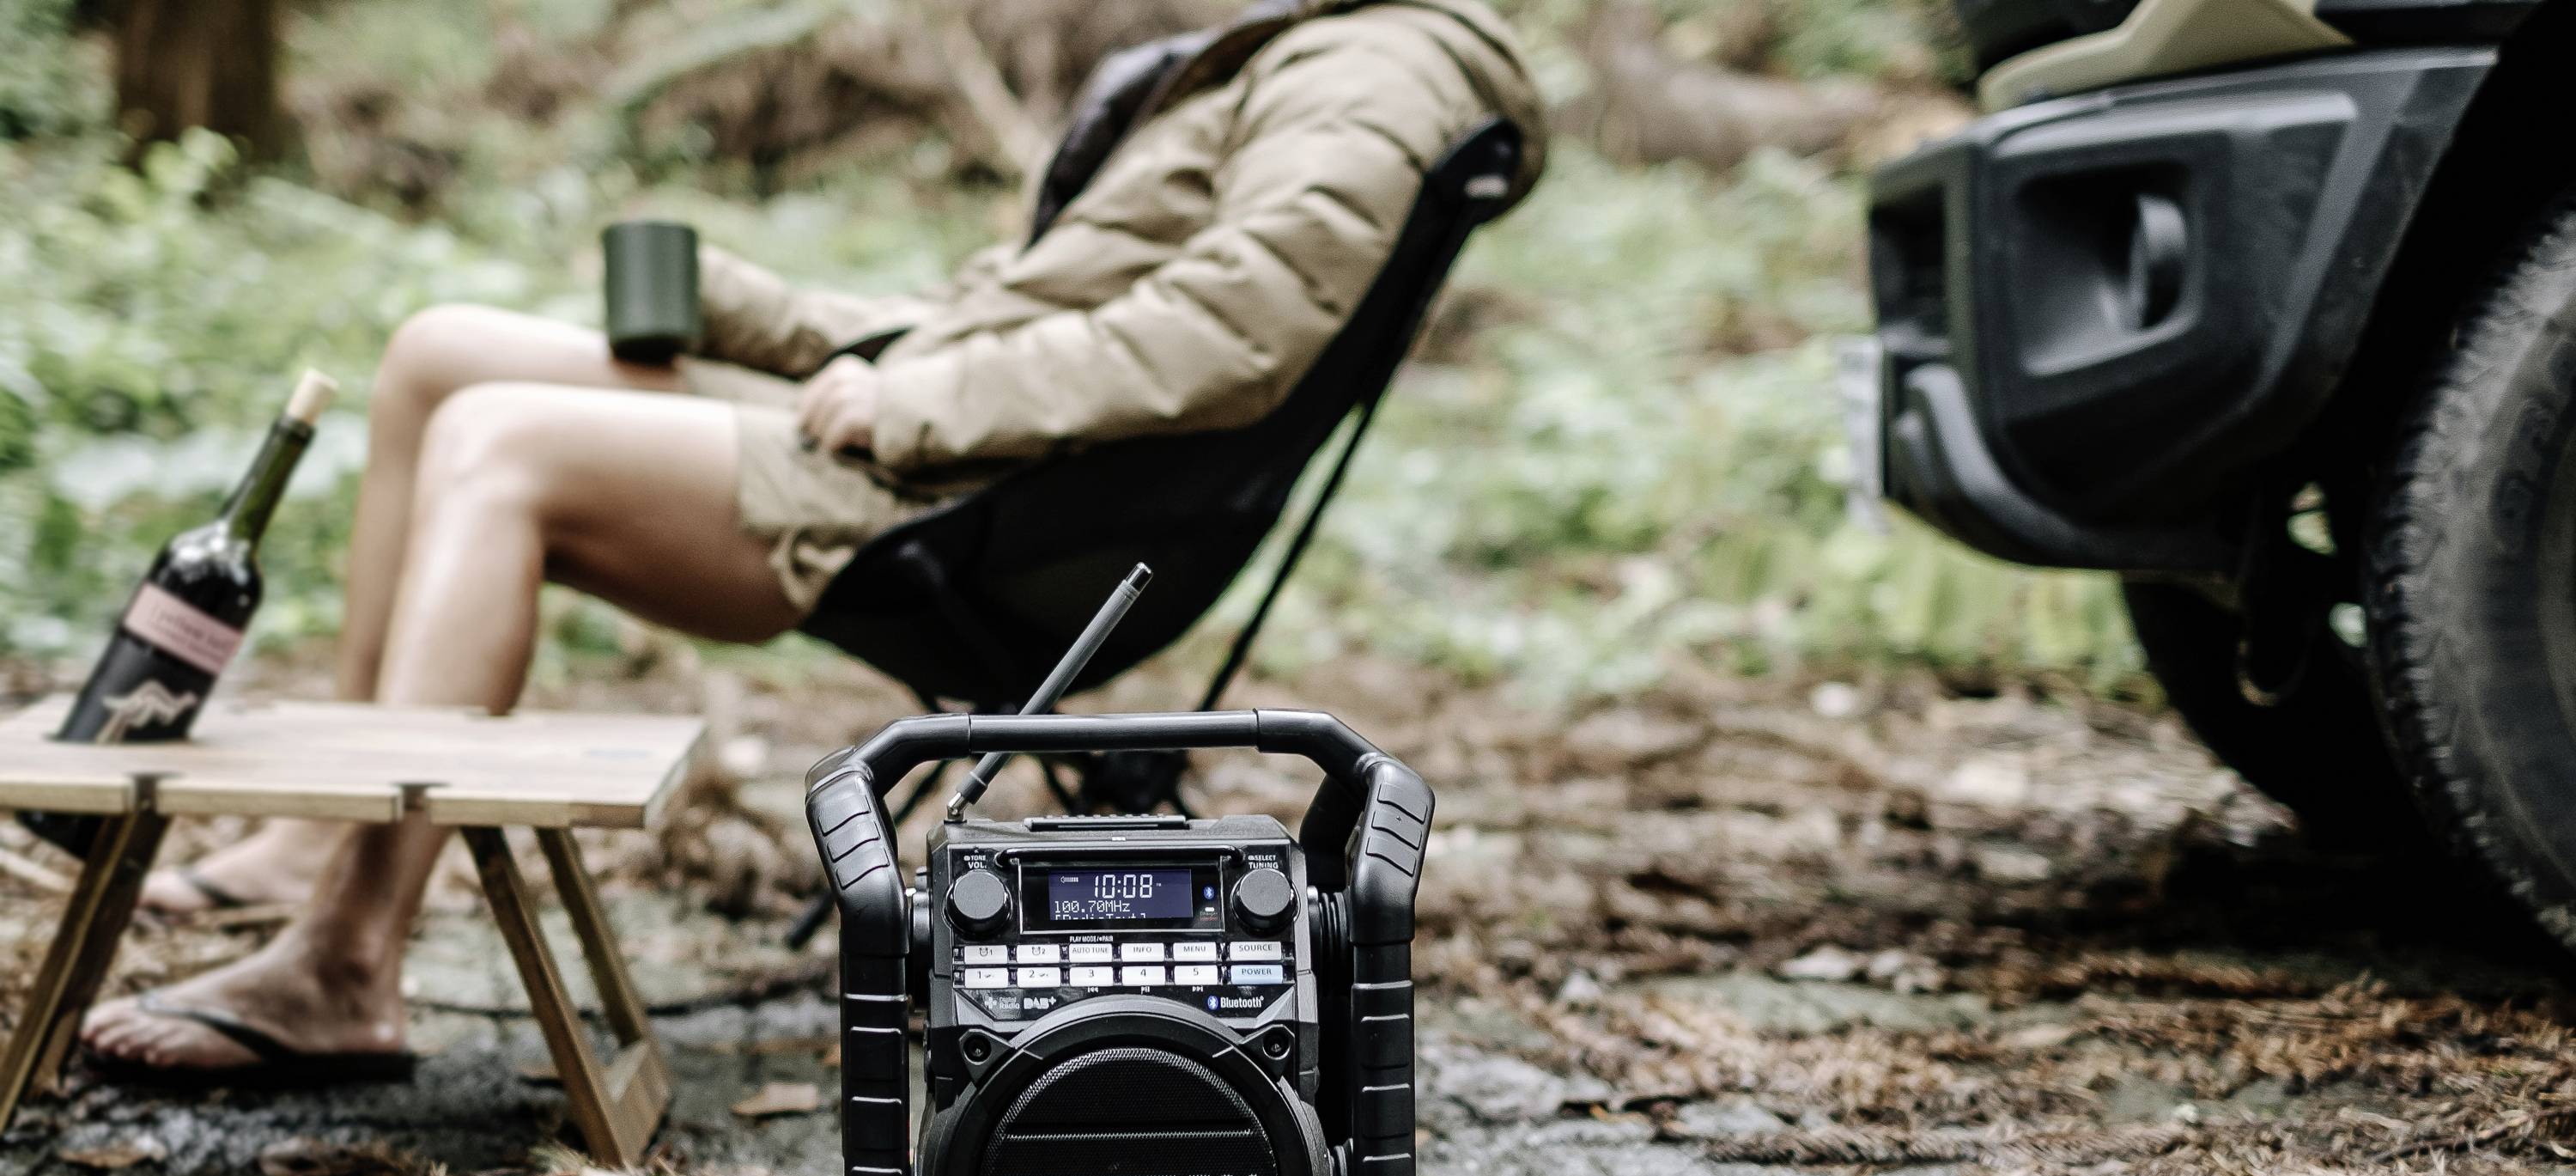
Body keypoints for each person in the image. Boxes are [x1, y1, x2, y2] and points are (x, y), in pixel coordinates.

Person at [80, 0, 1543, 1077]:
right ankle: (309, 844)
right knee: (438, 352)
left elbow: (1233, 331)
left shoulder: (1375, 62)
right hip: (972, 458)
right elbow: (1025, 319)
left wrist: (914, 403)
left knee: (497, 440)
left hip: (987, 517)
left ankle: (345, 960)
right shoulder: (1323, 51)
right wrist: (761, 314)